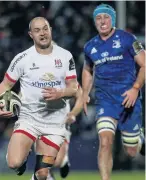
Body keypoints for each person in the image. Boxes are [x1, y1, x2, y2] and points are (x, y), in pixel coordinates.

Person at [0, 16, 79, 180]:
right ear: (31, 34)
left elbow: (74, 87)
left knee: (43, 173)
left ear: (51, 30)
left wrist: (60, 93)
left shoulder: (65, 56)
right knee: (13, 163)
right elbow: (5, 85)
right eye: (37, 30)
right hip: (29, 119)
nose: (42, 33)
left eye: (45, 29)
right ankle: (22, 158)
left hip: (54, 122)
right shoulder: (22, 59)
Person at [82, 4, 145, 180]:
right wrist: (85, 93)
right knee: (105, 142)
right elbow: (87, 69)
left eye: (106, 17)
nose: (102, 22)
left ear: (113, 19)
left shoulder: (127, 39)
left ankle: (139, 136)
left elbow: (144, 64)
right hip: (105, 101)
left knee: (131, 151)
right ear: (94, 22)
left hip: (128, 99)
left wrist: (135, 89)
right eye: (98, 18)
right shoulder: (90, 46)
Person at [45, 85, 83, 180]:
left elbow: (80, 97)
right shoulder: (37, 75)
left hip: (61, 124)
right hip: (42, 123)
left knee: (56, 161)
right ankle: (48, 174)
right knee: (45, 158)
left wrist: (72, 113)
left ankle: (63, 160)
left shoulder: (67, 76)